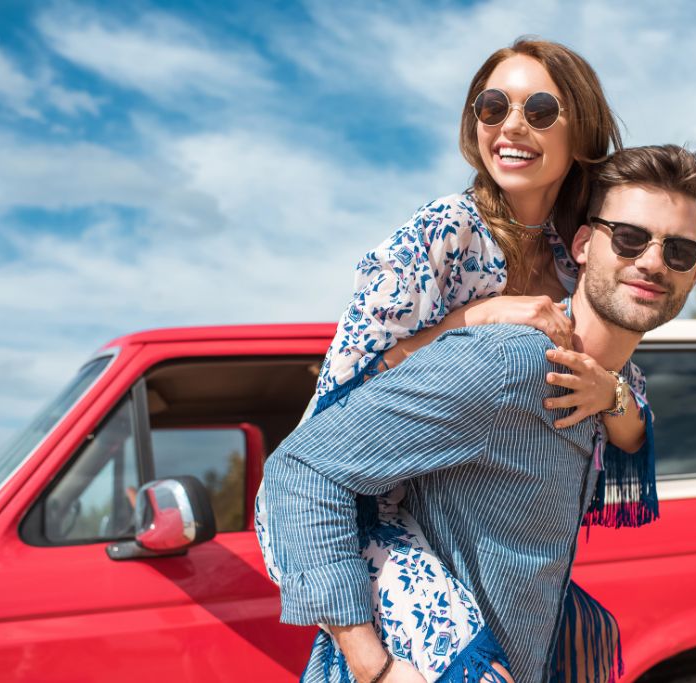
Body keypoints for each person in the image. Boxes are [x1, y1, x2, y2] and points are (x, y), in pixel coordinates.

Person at [255, 38, 656, 680]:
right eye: (492, 106)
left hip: (498, 561)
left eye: (541, 109)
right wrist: (476, 317)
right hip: (364, 524)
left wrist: (610, 394)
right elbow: (352, 387)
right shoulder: (445, 231)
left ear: (582, 130)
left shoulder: (572, 255)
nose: (512, 126)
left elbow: (626, 410)